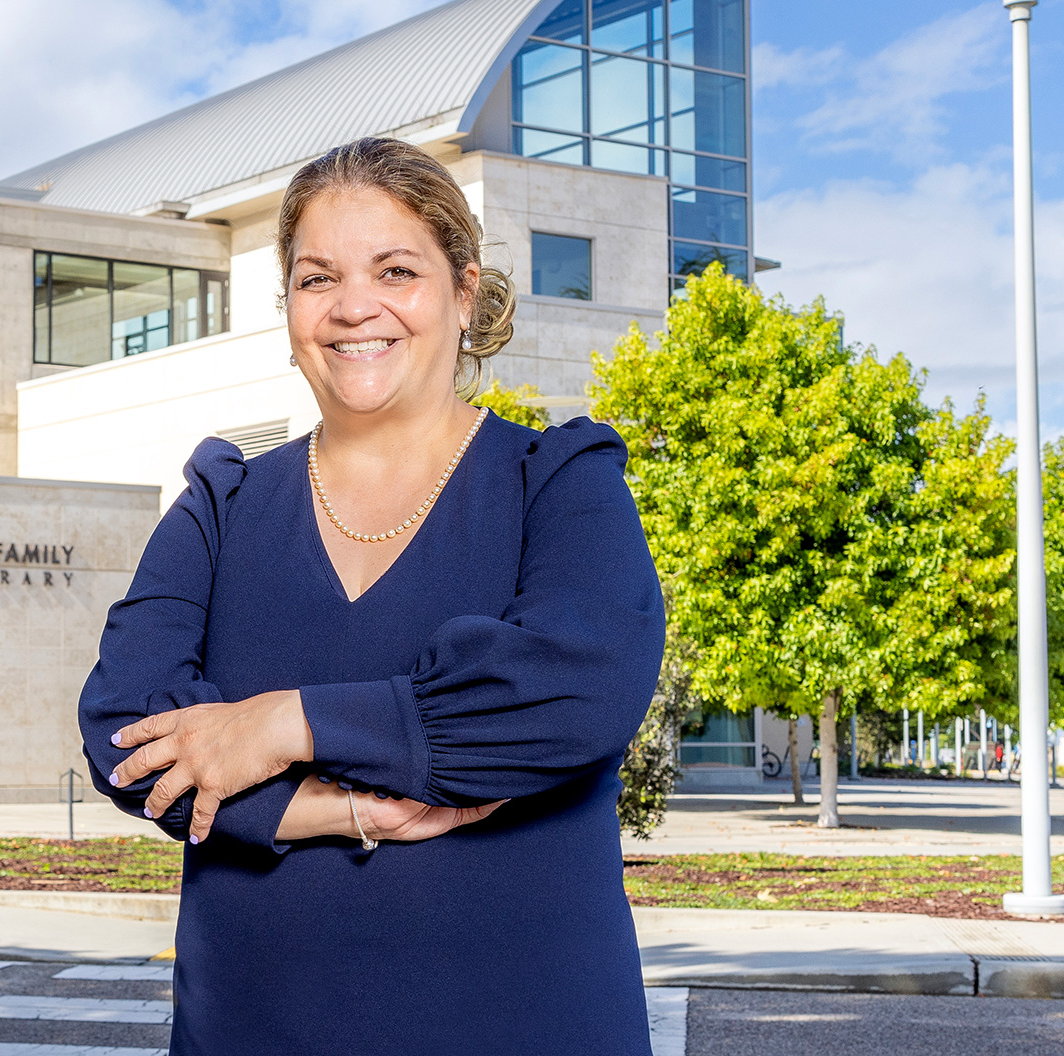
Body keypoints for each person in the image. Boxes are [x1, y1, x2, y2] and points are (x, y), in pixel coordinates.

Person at [78, 137, 666, 1054]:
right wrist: (333, 809)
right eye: (317, 280)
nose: (355, 307)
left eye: (396, 270)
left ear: (465, 293)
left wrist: (280, 727)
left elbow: (574, 692)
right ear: (288, 311)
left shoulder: (559, 482)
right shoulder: (222, 504)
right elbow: (125, 728)